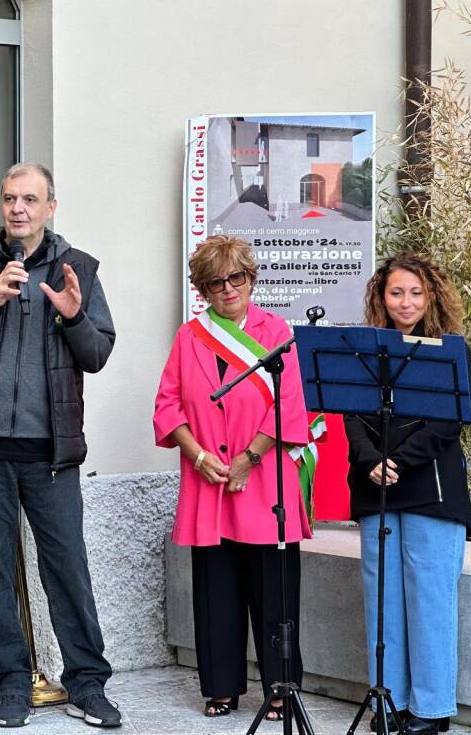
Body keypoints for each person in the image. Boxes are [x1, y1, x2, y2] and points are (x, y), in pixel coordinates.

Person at [0, 162, 120, 729]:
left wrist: (76, 317)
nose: (18, 209)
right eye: (10, 199)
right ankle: (11, 681)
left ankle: (87, 683)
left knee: (67, 569)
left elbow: (98, 354)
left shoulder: (77, 268)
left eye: (30, 199)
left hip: (50, 453)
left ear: (50, 207)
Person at [153, 235, 311, 720]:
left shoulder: (276, 330)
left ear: (251, 278)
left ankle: (282, 687)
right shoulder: (189, 337)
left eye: (235, 278)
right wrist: (198, 455)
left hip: (265, 481)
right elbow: (167, 406)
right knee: (215, 591)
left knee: (274, 591)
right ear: (202, 288)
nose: (227, 289)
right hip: (209, 482)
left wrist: (249, 457)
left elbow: (291, 406)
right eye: (215, 282)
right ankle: (220, 687)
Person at [344, 253, 471, 735]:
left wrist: (397, 460)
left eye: (416, 292)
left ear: (432, 296)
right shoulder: (360, 350)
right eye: (397, 292)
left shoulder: (451, 349)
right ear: (382, 297)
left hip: (430, 488)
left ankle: (432, 708)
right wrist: (369, 459)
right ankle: (390, 700)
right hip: (375, 484)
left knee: (429, 598)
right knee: (382, 596)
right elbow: (349, 412)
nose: (406, 301)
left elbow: (450, 421)